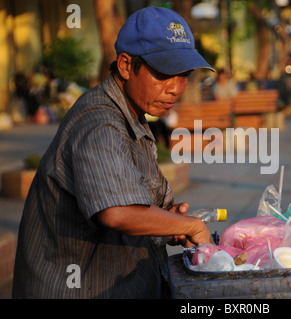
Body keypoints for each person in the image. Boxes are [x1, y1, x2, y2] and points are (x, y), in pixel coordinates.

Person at [12, 6, 214, 299]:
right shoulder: (99, 122)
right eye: (163, 73)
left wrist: (167, 220)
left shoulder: (132, 115)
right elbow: (117, 212)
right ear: (125, 65)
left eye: (183, 74)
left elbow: (132, 203)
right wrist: (190, 225)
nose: (175, 88)